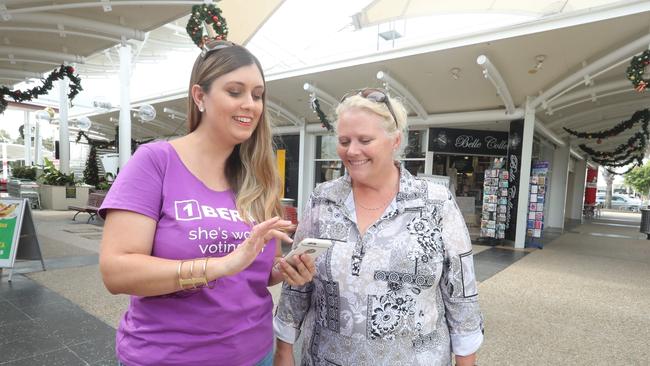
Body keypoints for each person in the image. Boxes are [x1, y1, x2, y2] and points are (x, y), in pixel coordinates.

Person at [98, 40, 315, 366]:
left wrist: (284, 270)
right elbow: (116, 272)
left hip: (255, 353)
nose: (250, 105)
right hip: (169, 357)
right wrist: (220, 266)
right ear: (200, 96)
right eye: (235, 91)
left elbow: (257, 272)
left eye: (257, 95)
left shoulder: (260, 177)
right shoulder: (156, 162)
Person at [273, 88, 484, 366]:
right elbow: (296, 285)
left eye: (365, 140)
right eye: (344, 140)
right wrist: (284, 350)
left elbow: (461, 293)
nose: (352, 151)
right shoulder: (323, 200)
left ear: (395, 140)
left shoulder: (435, 203)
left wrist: (466, 361)